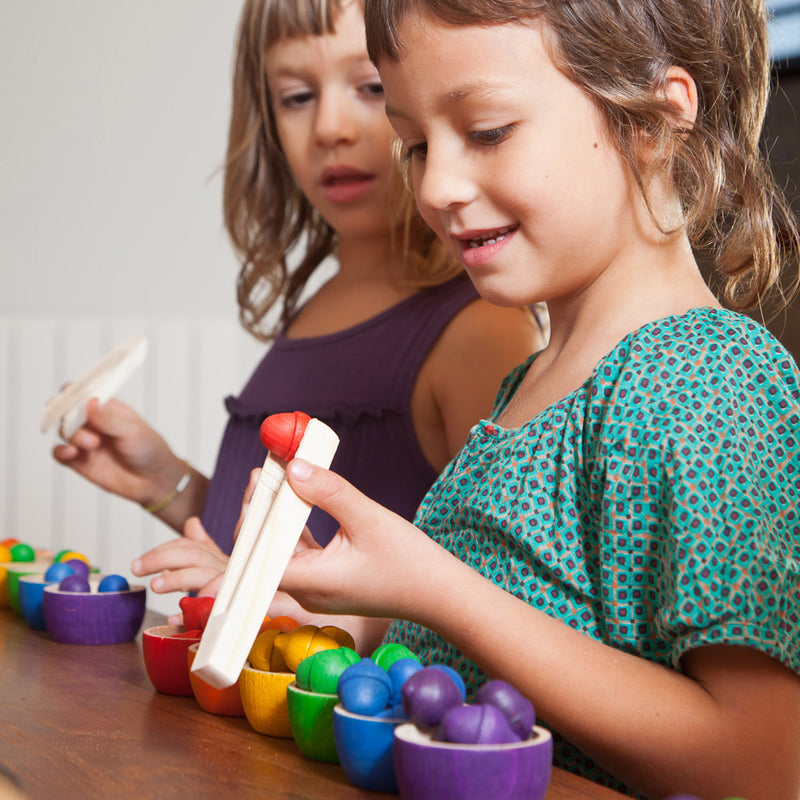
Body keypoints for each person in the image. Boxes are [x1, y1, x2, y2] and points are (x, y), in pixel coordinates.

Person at [271, 0, 800, 797]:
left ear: (652, 121)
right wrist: (324, 592)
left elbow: (765, 764)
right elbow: (499, 634)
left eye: (486, 131)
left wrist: (436, 587)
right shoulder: (535, 382)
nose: (438, 186)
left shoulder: (707, 383)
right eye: (415, 143)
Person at [51, 0, 541, 597]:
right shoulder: (322, 304)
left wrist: (282, 607)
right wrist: (167, 483)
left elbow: (493, 604)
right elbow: (280, 551)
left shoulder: (478, 327)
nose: (330, 126)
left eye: (369, 86)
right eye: (297, 97)